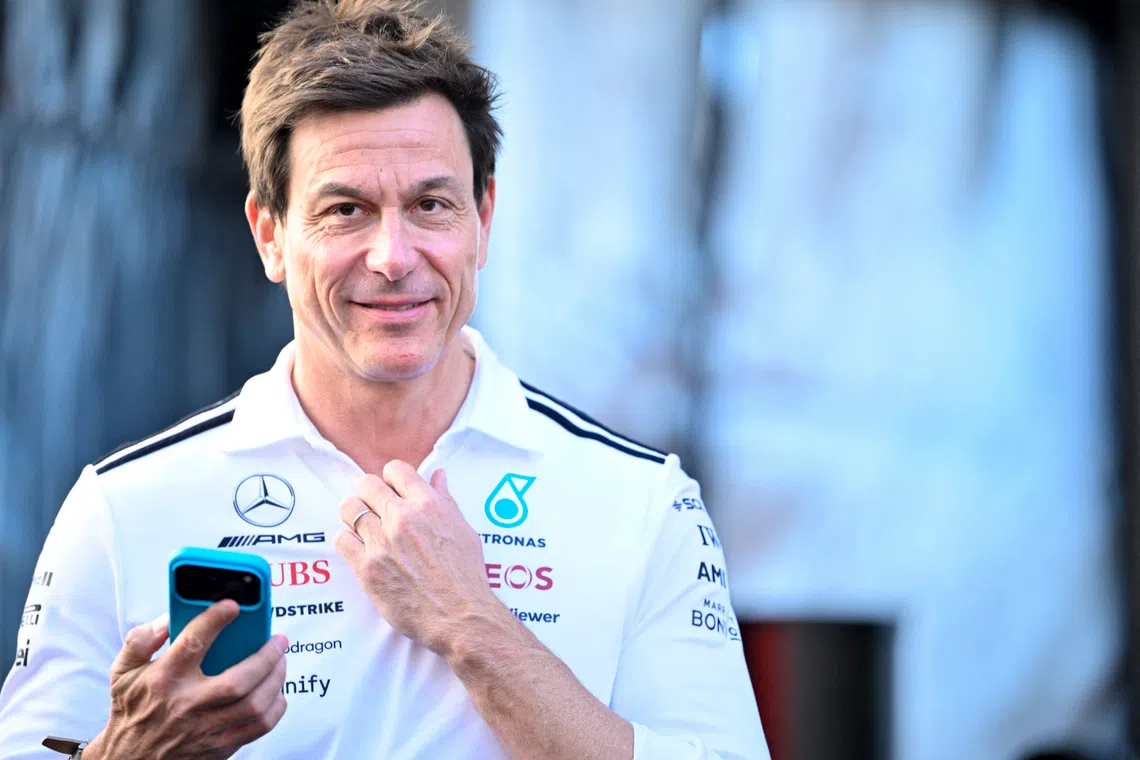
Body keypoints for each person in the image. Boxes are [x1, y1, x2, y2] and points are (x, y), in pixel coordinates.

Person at [0, 1, 767, 758]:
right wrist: (131, 752)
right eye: (346, 210)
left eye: (431, 204)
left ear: (483, 220)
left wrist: (472, 626)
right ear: (270, 234)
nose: (394, 257)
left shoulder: (642, 503)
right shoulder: (122, 508)